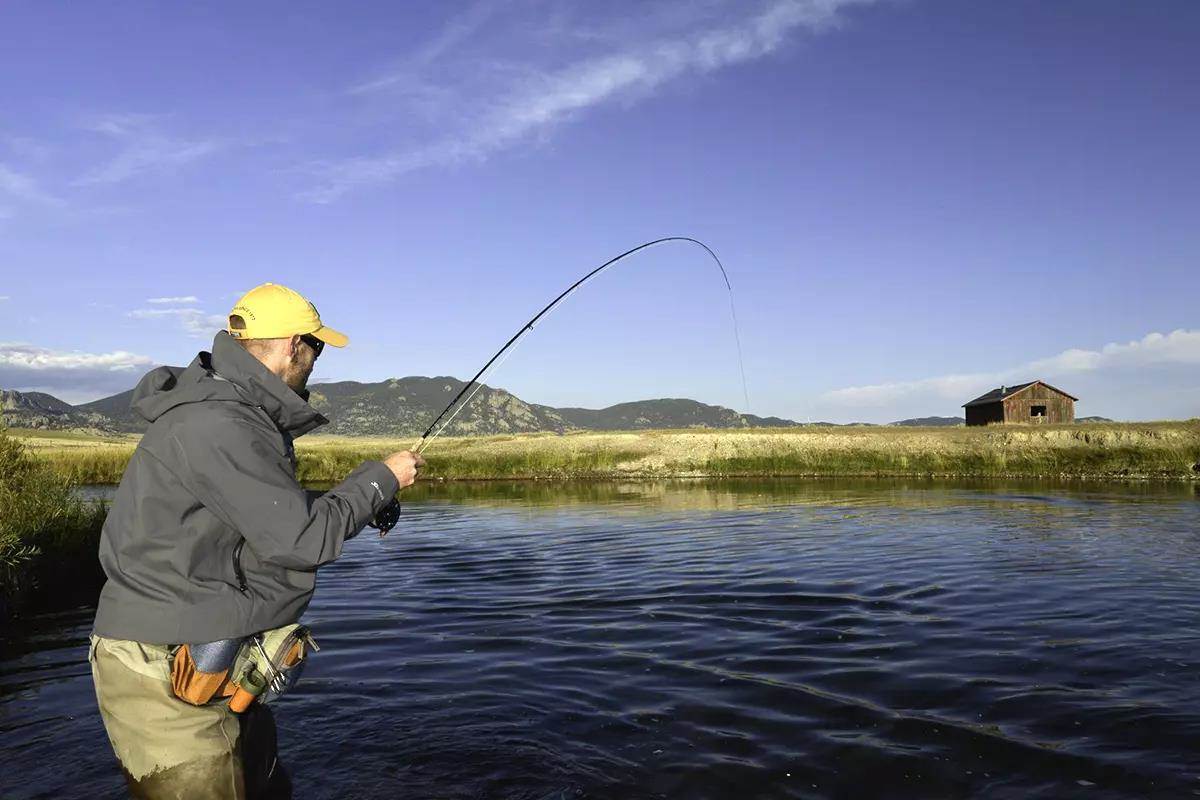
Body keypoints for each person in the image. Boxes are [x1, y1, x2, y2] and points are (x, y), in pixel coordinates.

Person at [88, 282, 424, 798]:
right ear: (293, 345)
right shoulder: (220, 421)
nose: (316, 361)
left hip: (212, 655)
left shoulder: (227, 412)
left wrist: (364, 499)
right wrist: (381, 478)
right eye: (317, 348)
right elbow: (302, 538)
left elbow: (261, 513)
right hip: (163, 673)